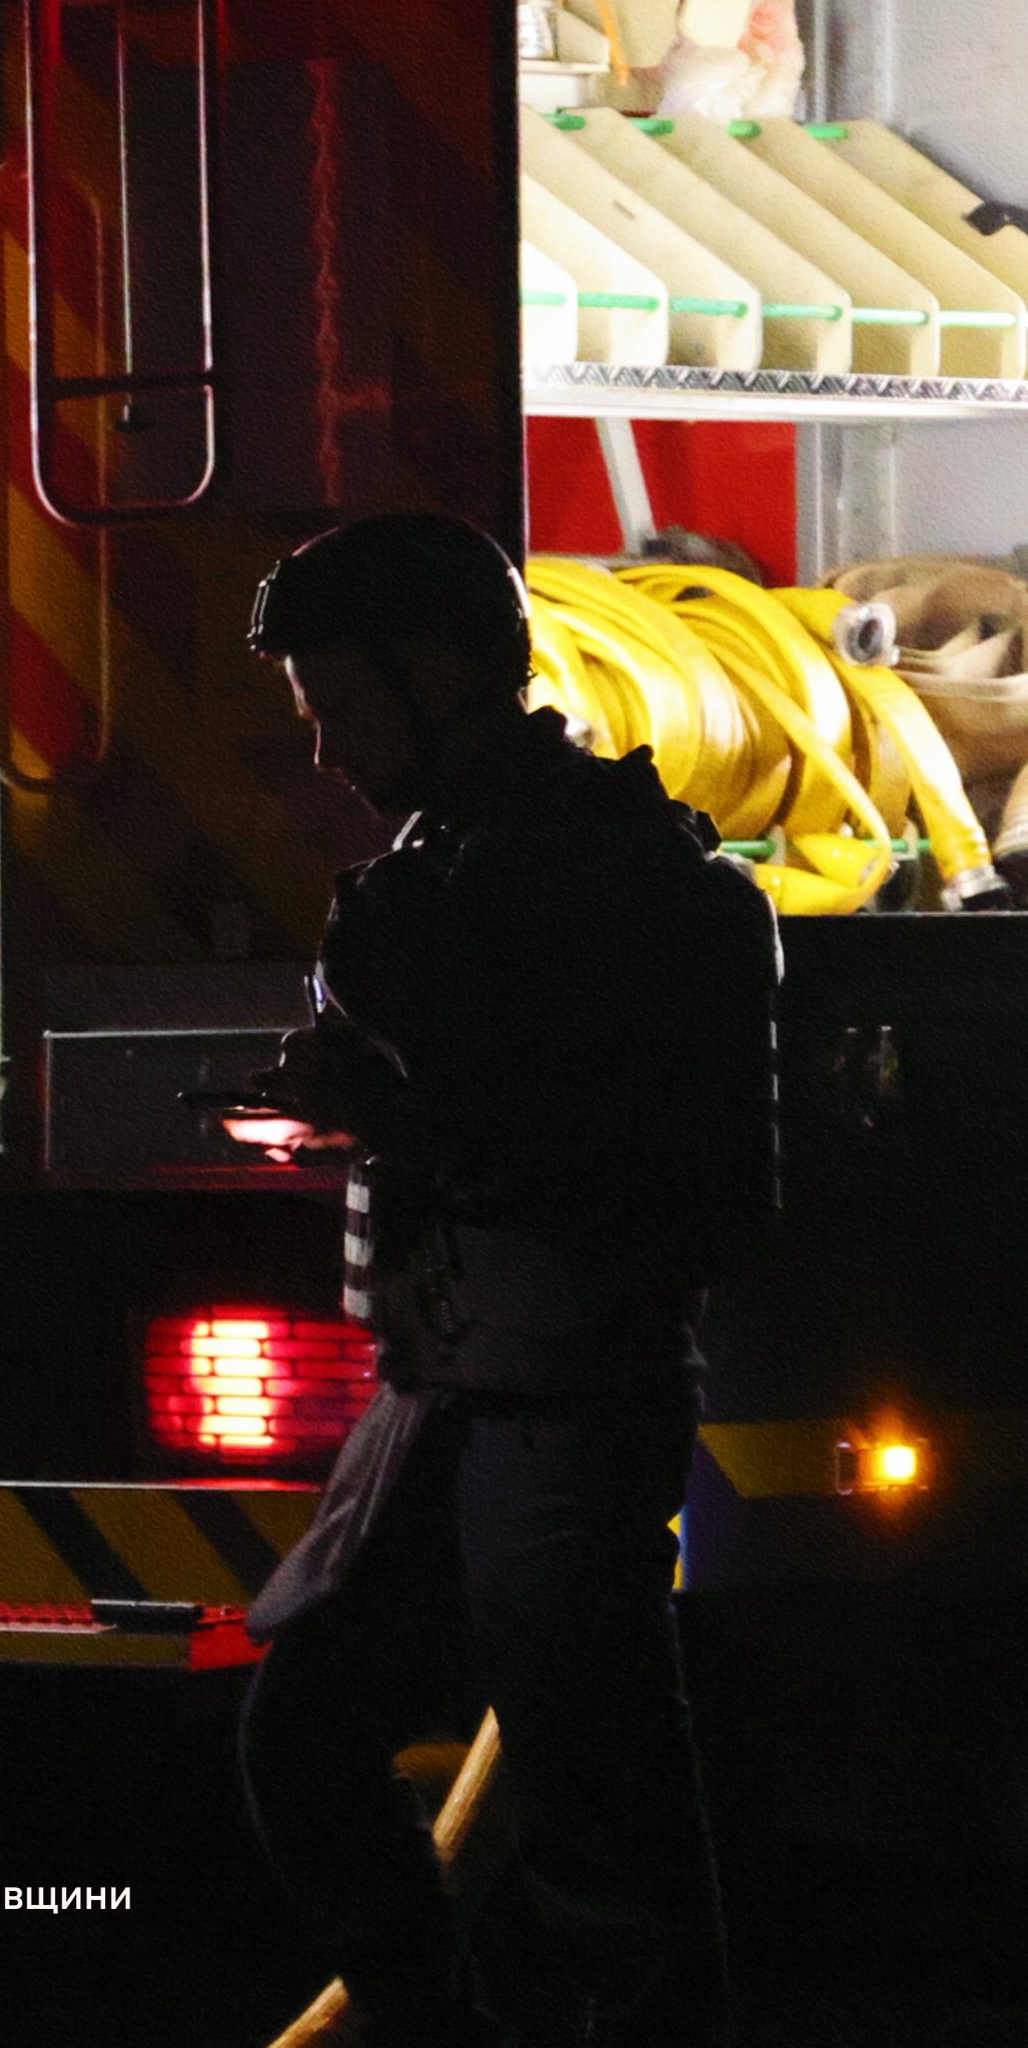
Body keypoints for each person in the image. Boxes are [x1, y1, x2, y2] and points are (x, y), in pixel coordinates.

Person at [235, 514, 781, 2047]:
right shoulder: (453, 864)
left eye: (341, 706)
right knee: (306, 1732)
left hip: (565, 1396)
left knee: (592, 1809)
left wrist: (405, 1102)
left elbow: (677, 1179)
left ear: (441, 674)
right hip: (446, 1388)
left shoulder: (621, 881)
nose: (328, 751)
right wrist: (375, 1093)